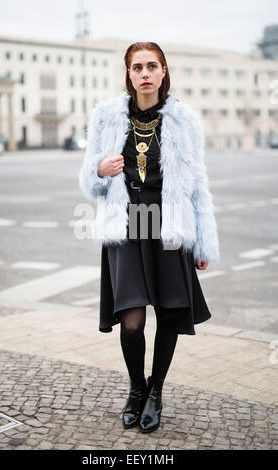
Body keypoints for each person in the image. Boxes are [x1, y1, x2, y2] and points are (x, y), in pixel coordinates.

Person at [78, 42, 220, 433]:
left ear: (162, 71)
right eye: (137, 66)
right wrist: (100, 170)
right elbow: (88, 177)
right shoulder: (107, 116)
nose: (144, 73)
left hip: (168, 222)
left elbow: (197, 183)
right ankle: (136, 389)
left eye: (151, 66)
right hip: (126, 225)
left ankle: (156, 393)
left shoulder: (183, 120)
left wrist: (202, 240)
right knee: (133, 320)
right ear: (128, 73)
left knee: (171, 312)